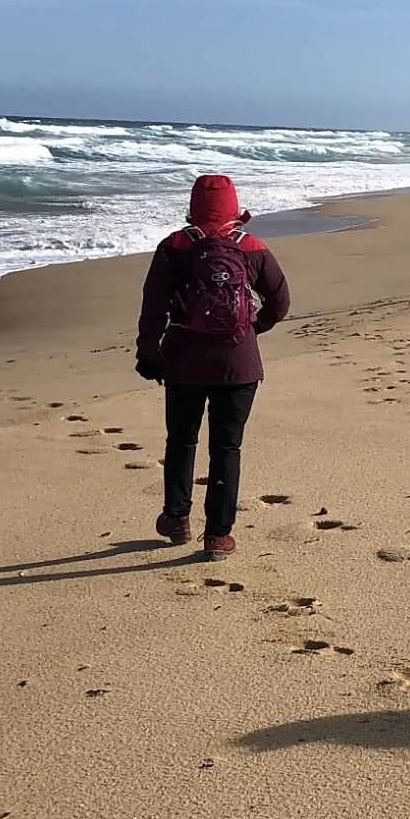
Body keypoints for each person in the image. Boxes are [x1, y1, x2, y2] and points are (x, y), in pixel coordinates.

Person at [135, 174, 290, 559]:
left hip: (183, 361)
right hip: (239, 365)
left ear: (193, 206)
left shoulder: (174, 246)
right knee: (226, 448)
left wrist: (148, 353)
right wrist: (252, 328)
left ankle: (177, 518)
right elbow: (280, 302)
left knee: (181, 440)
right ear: (234, 206)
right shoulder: (251, 246)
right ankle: (218, 536)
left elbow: (153, 306)